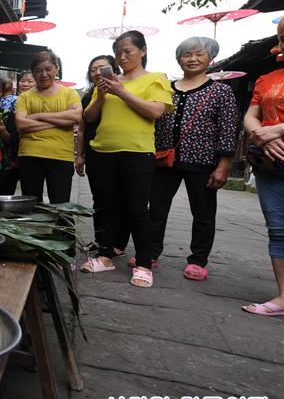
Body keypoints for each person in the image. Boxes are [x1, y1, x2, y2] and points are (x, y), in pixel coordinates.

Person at [80, 30, 173, 288]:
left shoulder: (156, 79)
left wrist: (121, 92)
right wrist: (101, 94)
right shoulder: (111, 82)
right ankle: (105, 256)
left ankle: (143, 263)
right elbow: (89, 117)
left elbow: (155, 111)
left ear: (142, 51)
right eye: (118, 52)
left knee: (137, 208)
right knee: (106, 206)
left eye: (128, 51)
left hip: (137, 151)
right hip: (103, 151)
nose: (122, 57)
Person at [148, 37, 237, 281]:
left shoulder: (221, 91)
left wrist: (223, 165)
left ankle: (198, 260)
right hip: (165, 161)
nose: (192, 59)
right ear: (179, 59)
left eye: (199, 54)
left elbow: (228, 128)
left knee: (204, 213)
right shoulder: (166, 88)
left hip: (203, 162)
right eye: (187, 54)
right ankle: (150, 253)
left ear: (211, 59)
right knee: (155, 209)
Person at [241, 18, 284, 316]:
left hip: (275, 143)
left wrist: (278, 130)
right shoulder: (267, 78)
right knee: (278, 229)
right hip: (271, 161)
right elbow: (251, 115)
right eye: (282, 37)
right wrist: (262, 135)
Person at [75, 55, 129, 256]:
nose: (97, 72)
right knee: (100, 198)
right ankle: (101, 239)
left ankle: (119, 243)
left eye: (102, 68)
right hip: (94, 151)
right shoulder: (89, 95)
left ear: (113, 69)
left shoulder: (123, 90)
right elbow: (81, 129)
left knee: (122, 199)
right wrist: (79, 155)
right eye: (93, 69)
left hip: (119, 150)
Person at [14, 51, 82, 203]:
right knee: (32, 206)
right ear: (33, 73)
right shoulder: (25, 97)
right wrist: (60, 120)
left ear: (56, 69)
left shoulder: (69, 94)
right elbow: (21, 124)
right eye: (38, 71)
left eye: (48, 69)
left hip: (60, 155)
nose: (43, 74)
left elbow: (76, 117)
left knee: (61, 206)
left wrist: (38, 116)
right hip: (30, 155)